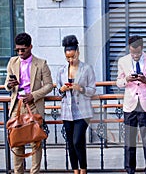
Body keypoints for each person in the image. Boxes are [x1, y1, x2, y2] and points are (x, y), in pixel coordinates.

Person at [4, 32, 53, 174]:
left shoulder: (41, 63)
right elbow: (7, 84)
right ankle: (18, 172)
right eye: (17, 50)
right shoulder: (12, 62)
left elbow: (49, 85)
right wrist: (10, 84)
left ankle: (34, 172)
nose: (20, 52)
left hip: (33, 105)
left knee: (35, 142)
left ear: (30, 47)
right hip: (16, 107)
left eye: (23, 49)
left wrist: (34, 96)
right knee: (16, 141)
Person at [116, 35, 146, 174]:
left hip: (145, 104)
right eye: (132, 52)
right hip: (130, 105)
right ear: (129, 49)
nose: (135, 55)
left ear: (142, 48)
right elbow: (118, 82)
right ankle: (130, 170)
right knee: (129, 139)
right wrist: (126, 79)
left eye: (138, 53)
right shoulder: (123, 61)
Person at [56, 35, 96, 174]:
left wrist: (80, 88)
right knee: (70, 144)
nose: (71, 60)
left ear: (78, 52)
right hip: (67, 112)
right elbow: (57, 92)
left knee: (78, 141)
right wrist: (61, 90)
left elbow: (92, 90)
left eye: (73, 56)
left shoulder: (87, 68)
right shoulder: (61, 70)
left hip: (83, 112)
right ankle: (75, 170)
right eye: (68, 57)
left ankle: (83, 170)